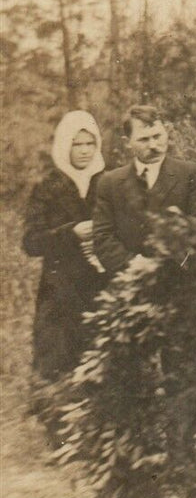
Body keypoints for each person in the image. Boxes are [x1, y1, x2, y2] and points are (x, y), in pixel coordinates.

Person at [23, 111, 108, 384]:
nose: (84, 151)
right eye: (77, 143)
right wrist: (69, 233)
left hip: (101, 284)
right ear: (64, 145)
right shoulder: (48, 187)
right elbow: (31, 242)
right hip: (59, 291)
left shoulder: (108, 182)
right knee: (58, 369)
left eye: (89, 143)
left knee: (100, 366)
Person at [92, 105, 196, 273]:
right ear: (127, 143)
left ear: (167, 133)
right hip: (130, 278)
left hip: (182, 278)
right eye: (144, 139)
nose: (154, 145)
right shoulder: (110, 182)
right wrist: (135, 265)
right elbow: (102, 238)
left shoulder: (191, 174)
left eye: (158, 136)